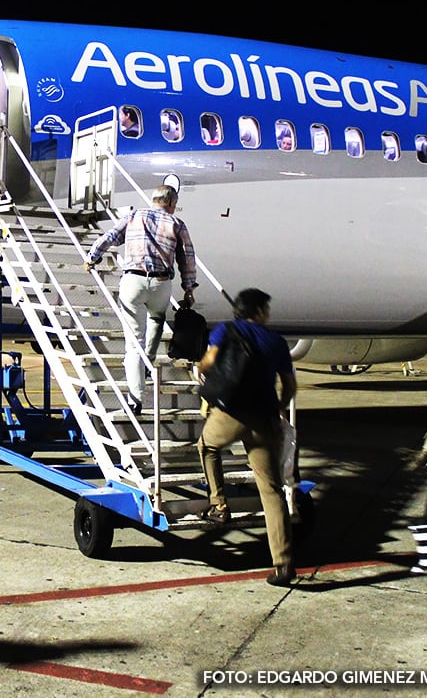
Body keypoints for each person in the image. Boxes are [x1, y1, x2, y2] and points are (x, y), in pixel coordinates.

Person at [195, 288, 298, 587]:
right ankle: (283, 565)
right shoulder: (277, 341)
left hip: (233, 413)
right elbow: (290, 386)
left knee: (207, 446)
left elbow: (209, 362)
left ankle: (219, 505)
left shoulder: (225, 330)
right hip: (265, 418)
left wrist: (201, 374)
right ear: (260, 310)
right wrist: (278, 407)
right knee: (271, 490)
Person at [84, 185, 197, 413]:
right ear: (172, 203)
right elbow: (187, 258)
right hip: (161, 283)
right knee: (157, 318)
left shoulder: (134, 216)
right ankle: (150, 358)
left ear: (153, 199)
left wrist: (92, 257)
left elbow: (111, 237)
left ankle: (135, 399)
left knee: (133, 343)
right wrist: (188, 288)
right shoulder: (177, 224)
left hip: (133, 281)